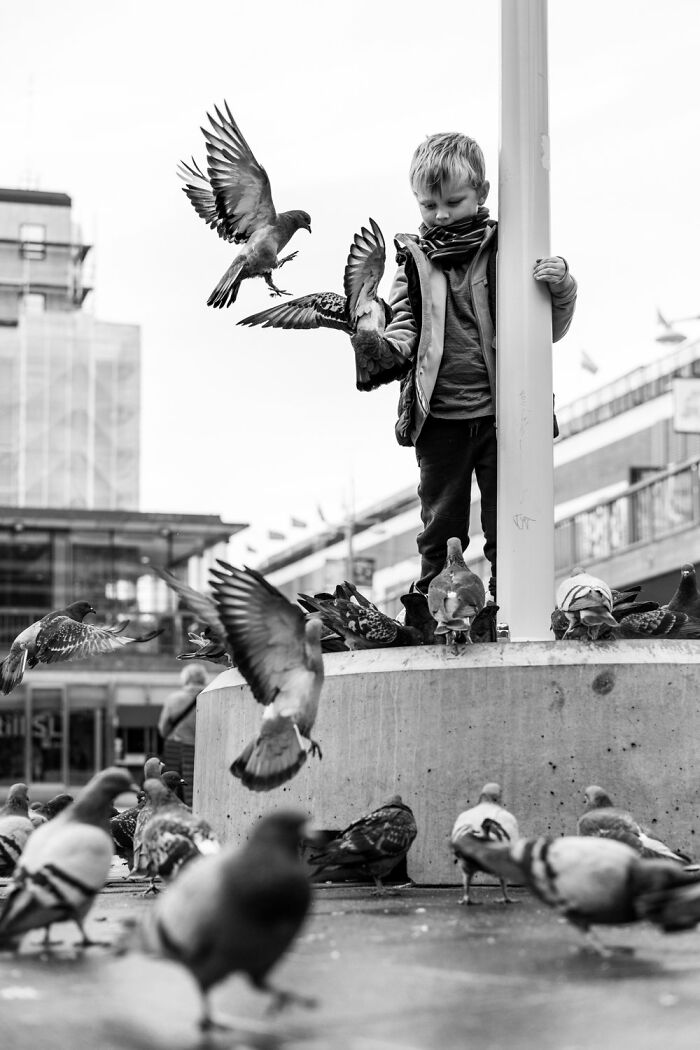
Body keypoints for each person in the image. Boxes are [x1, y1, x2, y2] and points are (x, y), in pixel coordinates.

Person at [351, 132, 577, 606]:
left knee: (510, 523)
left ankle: (507, 606)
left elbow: (546, 331)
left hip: (505, 417)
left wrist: (562, 288)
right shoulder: (412, 262)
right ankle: (435, 613)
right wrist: (377, 342)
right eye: (428, 204)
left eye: (454, 201)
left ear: (483, 195)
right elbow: (404, 330)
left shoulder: (508, 248)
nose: (441, 214)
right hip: (440, 421)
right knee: (440, 528)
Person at [158, 664, 207, 805]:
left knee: (171, 786)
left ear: (185, 679)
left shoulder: (174, 699)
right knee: (194, 789)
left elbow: (163, 729)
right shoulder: (211, 696)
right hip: (199, 751)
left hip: (174, 748)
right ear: (203, 679)